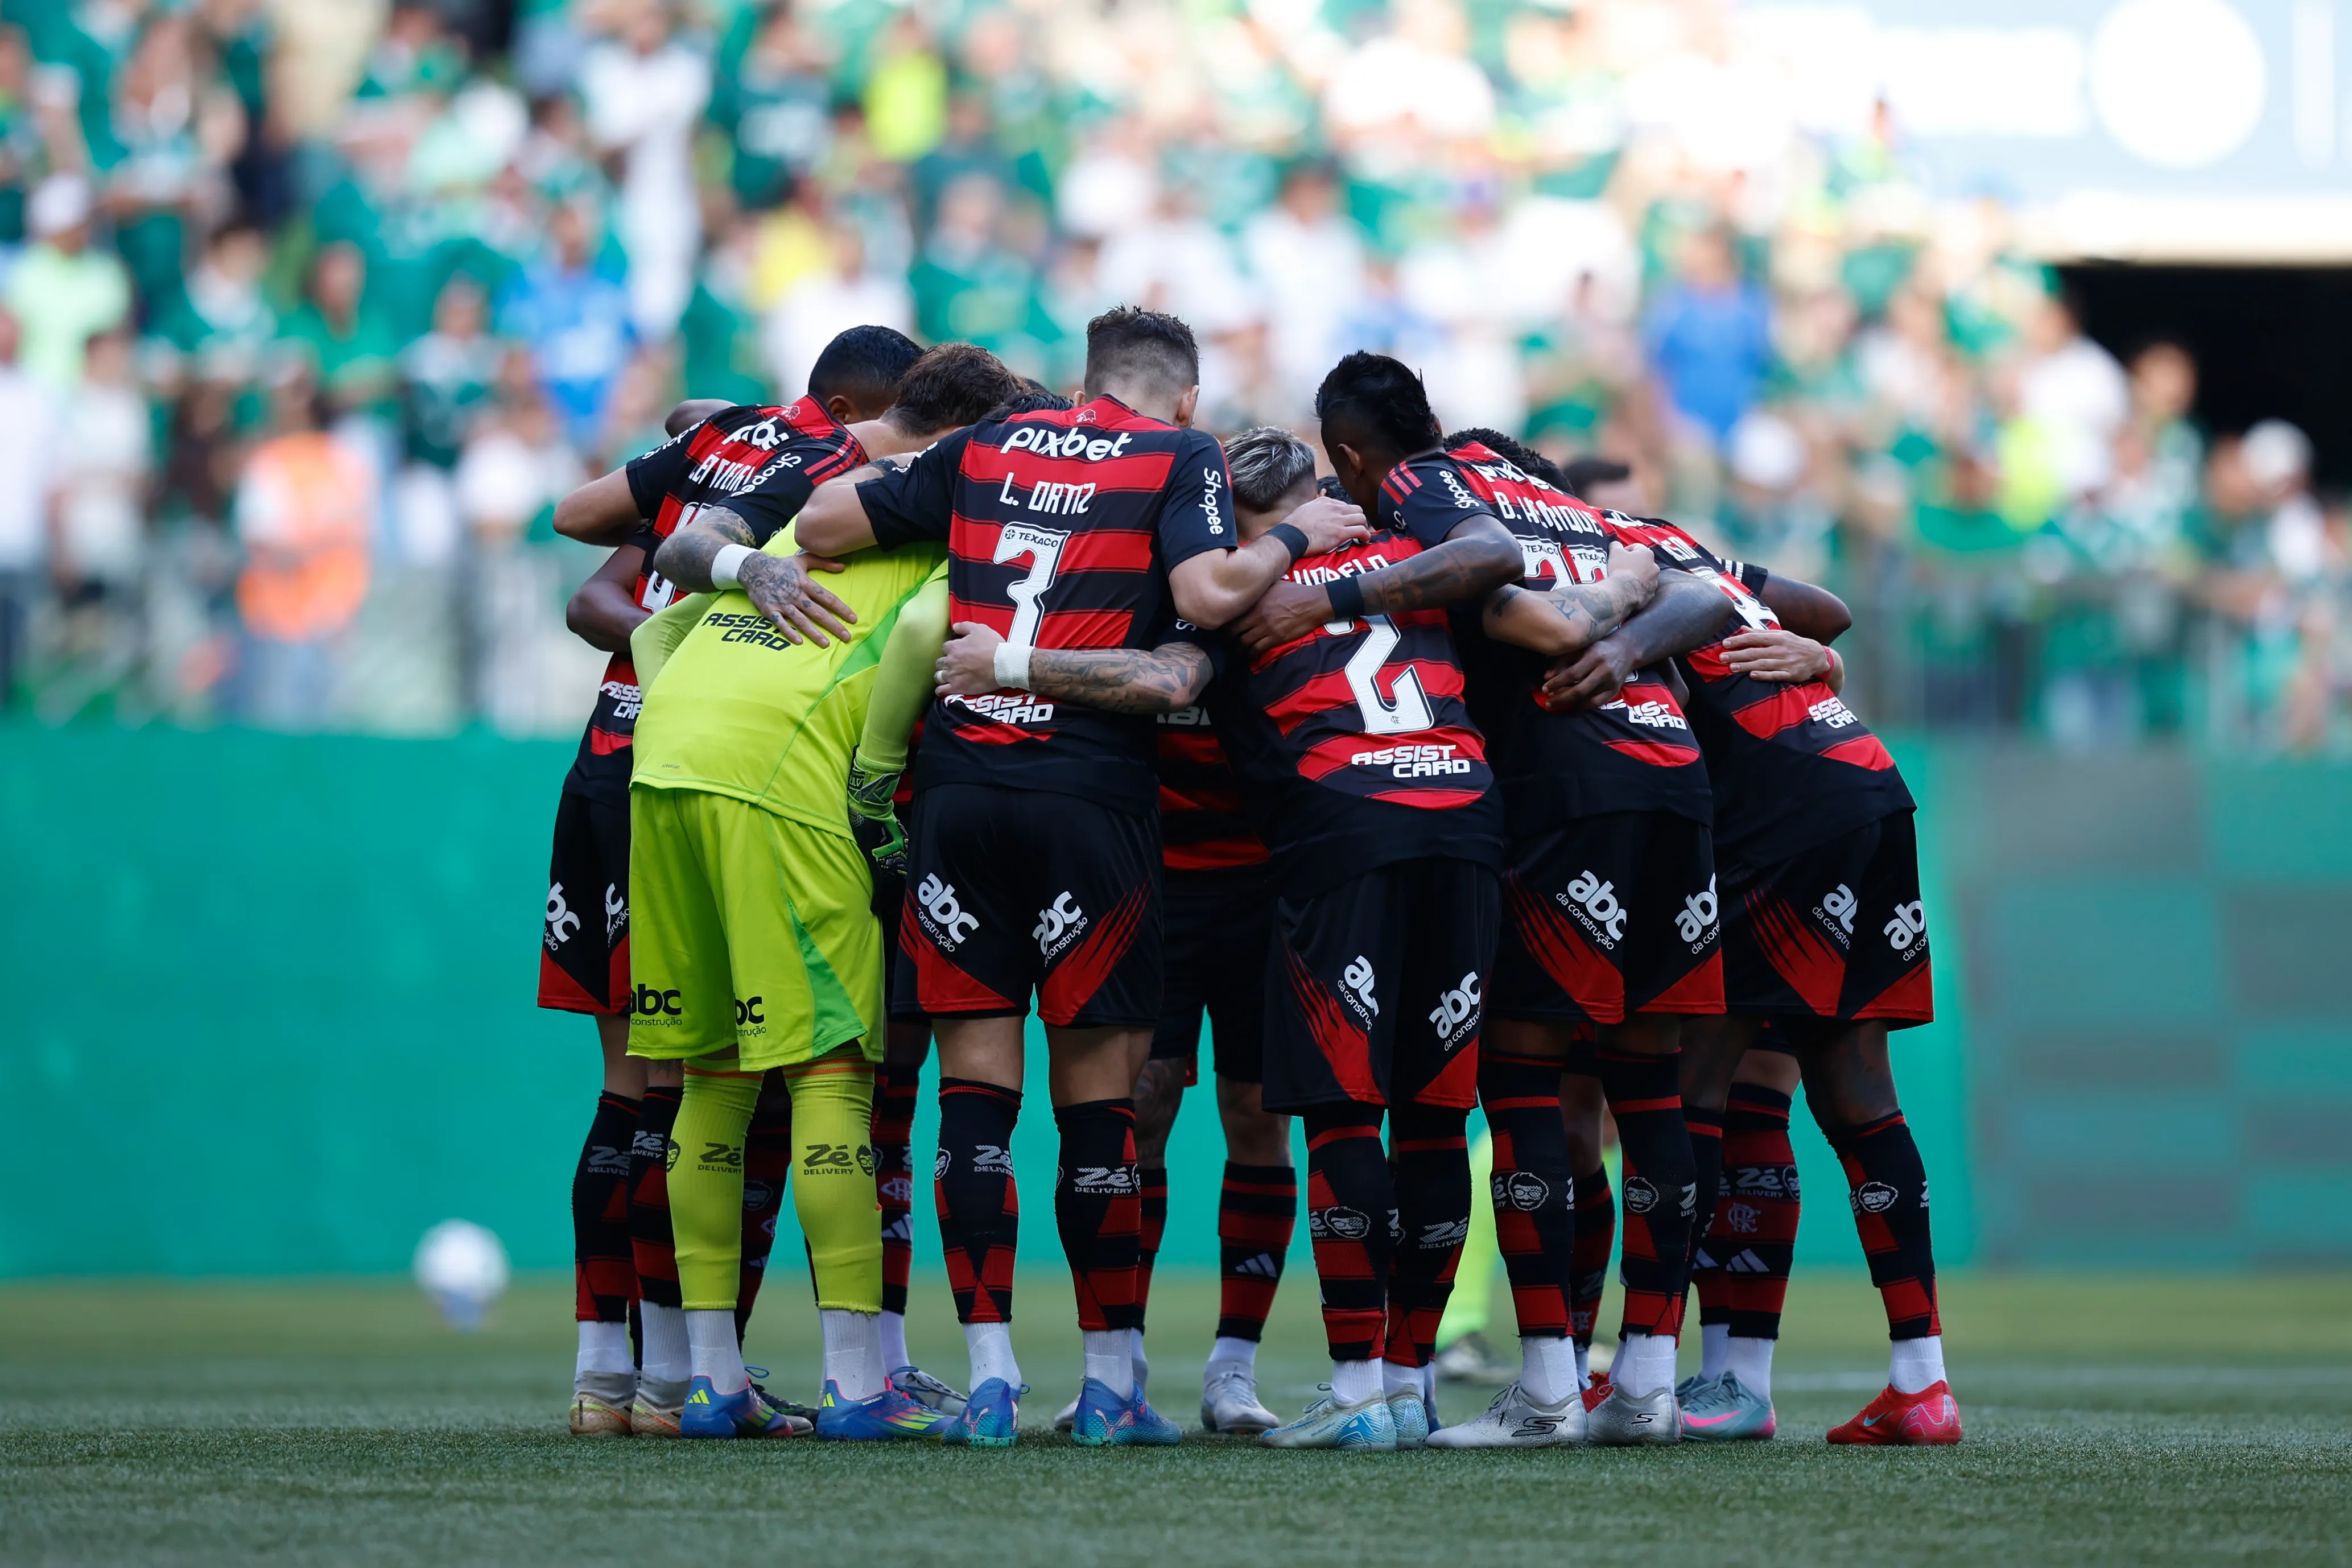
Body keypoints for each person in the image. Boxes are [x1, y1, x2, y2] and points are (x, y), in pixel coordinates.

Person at [794, 307, 1371, 1447]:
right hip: (1088, 798)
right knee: (1103, 1111)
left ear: (1081, 380)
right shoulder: (1179, 455)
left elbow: (820, 521)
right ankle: (1113, 1386)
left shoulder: (986, 446)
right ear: (1186, 401)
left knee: (974, 1106)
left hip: (960, 791)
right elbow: (1209, 597)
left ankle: (993, 1373)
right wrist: (1301, 533)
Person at [615, 340, 1025, 1441]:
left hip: (667, 762)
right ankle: (858, 1384)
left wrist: (699, 724)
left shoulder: (809, 511)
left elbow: (656, 624)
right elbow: (934, 632)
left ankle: (712, 1381)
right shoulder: (947, 522)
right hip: (782, 786)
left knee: (709, 1077)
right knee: (835, 1072)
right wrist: (878, 787)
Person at [544, 324, 925, 1438]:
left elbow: (583, 554)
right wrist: (731, 607)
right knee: (783, 1083)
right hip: (740, 777)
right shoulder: (838, 474)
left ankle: (628, 1375)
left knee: (654, 1085)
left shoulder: (722, 439)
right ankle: (716, 1378)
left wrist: (692, 620)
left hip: (629, 764)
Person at [1203, 352, 1524, 1451]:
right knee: (1437, 1113)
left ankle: (1354, 1396)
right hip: (1466, 819)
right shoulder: (1418, 554)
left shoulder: (1239, 589)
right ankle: (1411, 1380)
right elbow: (1509, 585)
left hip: (1346, 828)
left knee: (1345, 1107)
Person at [1584, 512, 1956, 1446]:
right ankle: (1921, 1383)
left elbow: (1766, 619)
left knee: (1690, 1088)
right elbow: (1824, 610)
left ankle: (1657, 1378)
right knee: (1853, 1094)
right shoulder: (1670, 536)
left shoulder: (1580, 560)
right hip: (1865, 781)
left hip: (1772, 813)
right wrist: (1816, 658)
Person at [1409, 426, 1730, 1449]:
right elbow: (1715, 595)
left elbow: (1530, 626)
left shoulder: (1460, 522)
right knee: (1650, 1087)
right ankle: (1645, 1384)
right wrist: (1633, 633)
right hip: (1676, 788)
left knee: (1524, 1084)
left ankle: (1546, 1389)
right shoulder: (1602, 526)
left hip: (1562, 799)